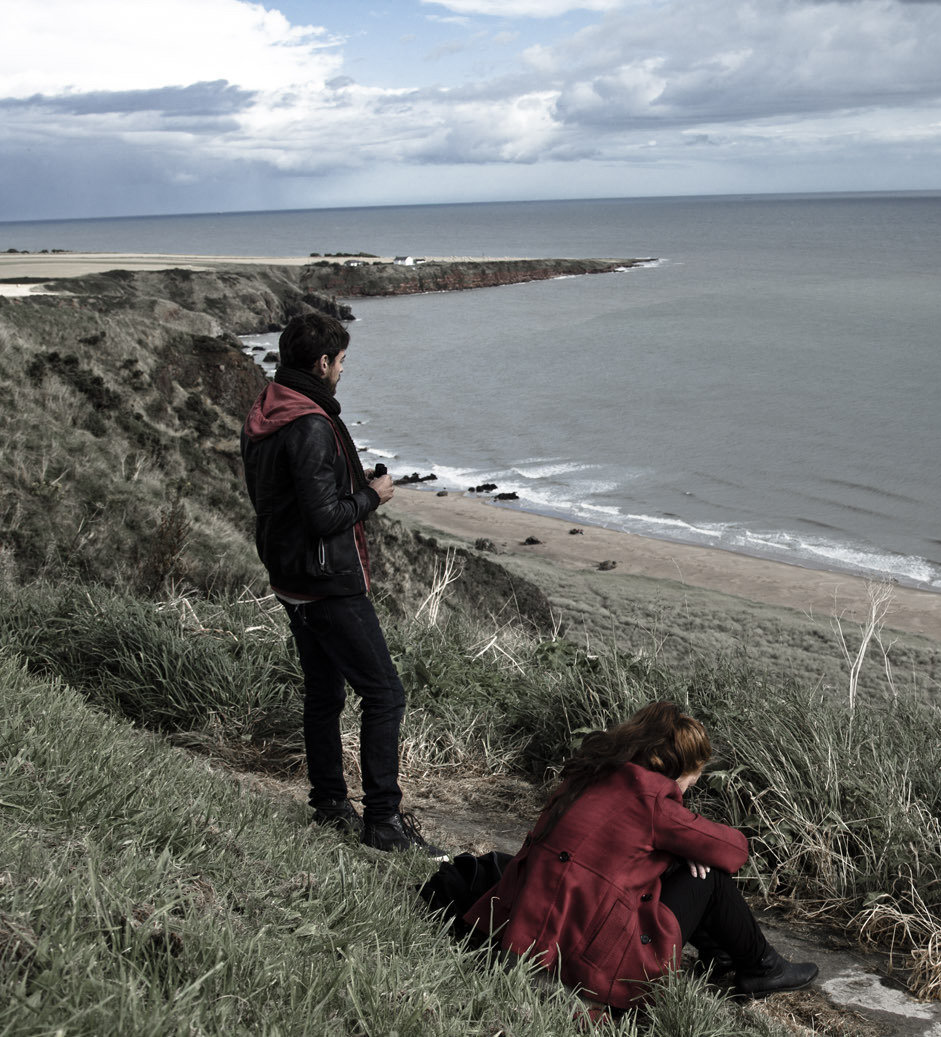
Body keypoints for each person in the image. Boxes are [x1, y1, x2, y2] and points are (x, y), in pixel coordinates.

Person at [240, 312, 443, 858]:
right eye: (342, 362)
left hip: (292, 578)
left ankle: (330, 803)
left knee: (325, 693)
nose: (343, 372)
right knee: (384, 695)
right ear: (323, 363)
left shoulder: (267, 410)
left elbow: (272, 500)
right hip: (327, 583)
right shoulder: (308, 424)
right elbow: (325, 515)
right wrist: (375, 495)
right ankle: (383, 821)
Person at [463, 701, 817, 1010]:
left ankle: (723, 958)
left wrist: (675, 850)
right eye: (694, 779)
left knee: (685, 866)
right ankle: (763, 968)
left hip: (523, 940)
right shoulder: (652, 801)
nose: (691, 788)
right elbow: (734, 850)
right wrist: (683, 844)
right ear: (679, 769)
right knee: (709, 877)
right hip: (587, 965)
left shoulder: (588, 775)